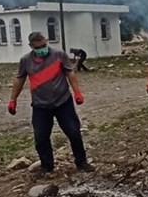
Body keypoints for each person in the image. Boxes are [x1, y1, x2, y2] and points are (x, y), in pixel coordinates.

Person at [7, 31, 94, 173]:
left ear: (46, 42)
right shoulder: (26, 60)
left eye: (44, 45)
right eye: (38, 47)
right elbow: (20, 79)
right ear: (31, 46)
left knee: (74, 133)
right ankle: (46, 165)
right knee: (41, 137)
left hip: (63, 102)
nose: (42, 49)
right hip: (40, 106)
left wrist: (77, 92)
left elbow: (70, 73)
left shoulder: (59, 55)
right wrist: (13, 100)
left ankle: (81, 162)